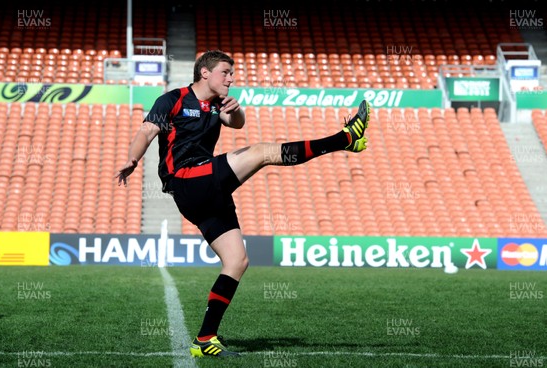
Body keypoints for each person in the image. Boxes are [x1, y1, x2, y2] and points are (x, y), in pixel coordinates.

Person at [115, 50, 370, 357]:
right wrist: (133, 158)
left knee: (237, 261)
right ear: (205, 73)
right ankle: (344, 140)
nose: (231, 78)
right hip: (186, 179)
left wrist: (235, 110)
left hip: (206, 188)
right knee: (262, 152)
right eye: (226, 72)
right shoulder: (173, 99)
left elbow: (236, 123)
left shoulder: (218, 104)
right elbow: (147, 131)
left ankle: (205, 339)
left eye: (232, 73)